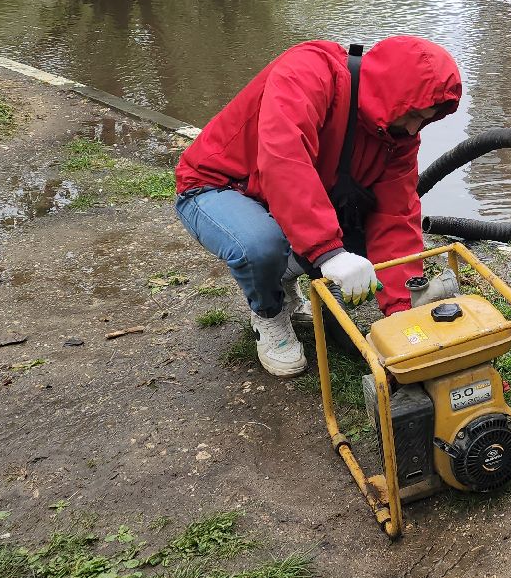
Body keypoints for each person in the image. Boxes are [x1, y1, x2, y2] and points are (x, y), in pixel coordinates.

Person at [173, 37, 463, 377]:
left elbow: (395, 216)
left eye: (424, 120)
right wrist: (329, 253)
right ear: (391, 92)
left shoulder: (398, 135)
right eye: (413, 114)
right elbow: (284, 162)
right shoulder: (308, 71)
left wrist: (400, 311)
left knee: (360, 231)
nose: (414, 127)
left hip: (275, 197)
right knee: (261, 245)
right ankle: (269, 314)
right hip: (216, 185)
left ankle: (281, 280)